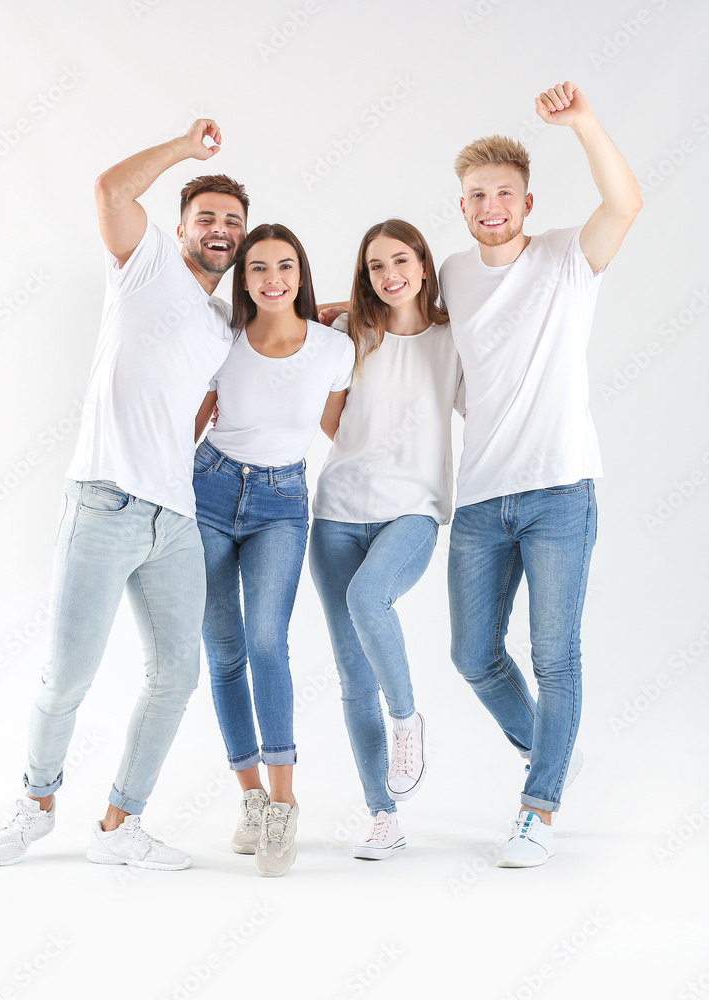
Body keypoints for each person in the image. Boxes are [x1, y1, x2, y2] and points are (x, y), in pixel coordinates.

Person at [0, 119, 249, 871]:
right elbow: (108, 190)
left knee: (177, 676)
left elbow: (251, 360)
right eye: (208, 217)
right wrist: (186, 149)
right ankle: (35, 803)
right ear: (181, 227)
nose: (221, 230)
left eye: (232, 221)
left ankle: (118, 824)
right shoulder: (146, 264)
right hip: (103, 504)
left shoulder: (224, 324)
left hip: (178, 519)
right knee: (69, 673)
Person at [440, 82, 642, 867]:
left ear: (527, 202)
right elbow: (401, 317)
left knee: (554, 653)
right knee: (471, 654)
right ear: (461, 208)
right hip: (483, 494)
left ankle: (538, 808)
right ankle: (549, 747)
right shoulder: (454, 271)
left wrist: (584, 122)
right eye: (475, 195)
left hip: (561, 488)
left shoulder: (565, 257)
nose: (490, 205)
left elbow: (624, 203)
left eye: (502, 193)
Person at [192, 223, 355, 876]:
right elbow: (193, 417)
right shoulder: (223, 338)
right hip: (209, 488)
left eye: (284, 266)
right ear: (243, 278)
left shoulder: (331, 349)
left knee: (267, 641)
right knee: (223, 650)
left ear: (301, 273)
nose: (271, 279)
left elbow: (338, 426)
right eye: (257, 268)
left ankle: (285, 803)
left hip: (283, 502)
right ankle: (252, 798)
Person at [309, 219, 463, 860]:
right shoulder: (350, 335)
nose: (389, 274)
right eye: (375, 266)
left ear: (424, 265)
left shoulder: (455, 338)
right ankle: (382, 817)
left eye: (400, 260)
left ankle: (407, 719)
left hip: (414, 512)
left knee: (369, 599)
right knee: (351, 674)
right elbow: (329, 418)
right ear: (365, 276)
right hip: (337, 513)